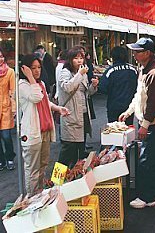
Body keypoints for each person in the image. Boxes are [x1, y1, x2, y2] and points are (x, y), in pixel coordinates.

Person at [119, 37, 155, 209]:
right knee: (154, 158)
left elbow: (154, 103)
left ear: (147, 53)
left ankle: (148, 197)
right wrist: (129, 111)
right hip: (153, 121)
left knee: (146, 160)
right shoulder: (144, 70)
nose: (134, 54)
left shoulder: (154, 73)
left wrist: (145, 125)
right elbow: (139, 96)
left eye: (137, 51)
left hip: (154, 123)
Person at [19, 54, 69, 195]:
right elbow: (36, 97)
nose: (36, 71)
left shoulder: (40, 84)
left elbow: (45, 101)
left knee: (43, 165)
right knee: (32, 168)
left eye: (39, 67)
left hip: (45, 129)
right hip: (32, 132)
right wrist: (29, 77)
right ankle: (32, 197)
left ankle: (40, 193)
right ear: (25, 69)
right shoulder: (23, 85)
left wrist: (58, 108)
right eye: (32, 68)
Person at [57, 47, 98, 168]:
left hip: (83, 114)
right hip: (70, 114)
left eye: (81, 58)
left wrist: (93, 86)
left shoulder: (82, 73)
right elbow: (67, 88)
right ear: (70, 60)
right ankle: (56, 180)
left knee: (79, 149)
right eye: (76, 58)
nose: (79, 61)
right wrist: (80, 75)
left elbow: (86, 93)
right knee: (67, 150)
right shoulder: (65, 72)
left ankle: (73, 178)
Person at [99, 46, 137, 124]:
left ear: (113, 57)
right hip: (130, 106)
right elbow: (137, 87)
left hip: (114, 106)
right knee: (128, 129)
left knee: (114, 130)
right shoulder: (133, 70)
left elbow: (102, 88)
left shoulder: (110, 71)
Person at [0, 48, 16, 171]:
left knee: (6, 136)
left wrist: (14, 108)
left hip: (5, 107)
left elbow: (13, 92)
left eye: (1, 56)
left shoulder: (10, 72)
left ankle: (10, 157)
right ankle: (1, 160)